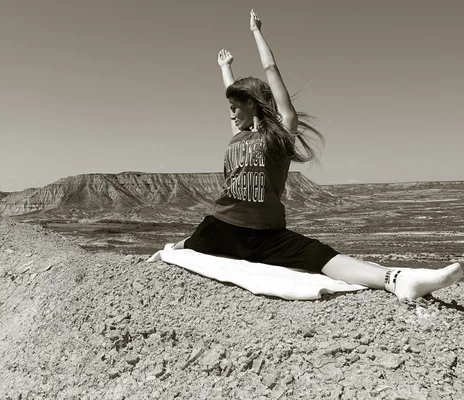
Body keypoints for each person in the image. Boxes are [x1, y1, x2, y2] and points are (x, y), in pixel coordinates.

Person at [173, 10, 462, 301]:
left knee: (323, 257)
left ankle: (398, 278)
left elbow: (271, 69)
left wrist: (256, 32)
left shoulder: (281, 133)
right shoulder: (238, 134)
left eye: (235, 107)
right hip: (222, 227)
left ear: (252, 102)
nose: (231, 114)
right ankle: (166, 251)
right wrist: (225, 66)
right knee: (177, 249)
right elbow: (230, 92)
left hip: (265, 235)